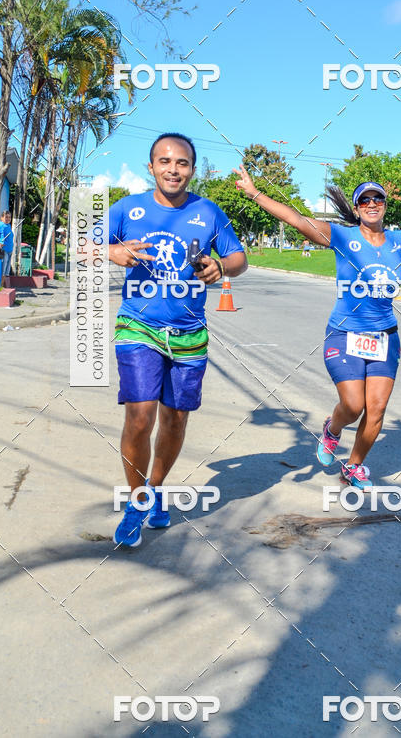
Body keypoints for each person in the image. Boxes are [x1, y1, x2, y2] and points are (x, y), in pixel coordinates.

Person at [234, 165, 401, 488]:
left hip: (384, 338)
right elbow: (295, 219)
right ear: (356, 208)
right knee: (353, 406)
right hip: (344, 333)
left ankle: (353, 466)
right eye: (365, 200)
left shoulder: (400, 241)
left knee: (375, 411)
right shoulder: (342, 236)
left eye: (378, 198)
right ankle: (332, 429)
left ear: (385, 206)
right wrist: (254, 194)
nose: (372, 204)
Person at [109, 133, 247, 546]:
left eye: (182, 163)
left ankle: (154, 490)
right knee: (140, 415)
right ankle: (135, 502)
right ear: (150, 167)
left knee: (175, 419)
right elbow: (82, 243)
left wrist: (221, 265)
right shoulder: (126, 208)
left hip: (189, 333)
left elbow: (239, 258)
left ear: (192, 168)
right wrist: (109, 253)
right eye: (165, 161)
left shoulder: (208, 212)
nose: (174, 169)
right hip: (138, 325)